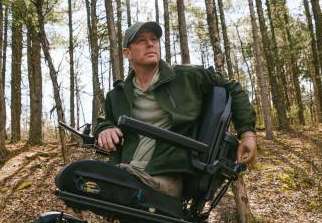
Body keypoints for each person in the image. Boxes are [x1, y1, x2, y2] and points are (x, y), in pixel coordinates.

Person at [94, 21, 258, 199]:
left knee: (106, 181)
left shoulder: (186, 78)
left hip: (166, 177)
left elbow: (231, 87)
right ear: (127, 53)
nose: (150, 44)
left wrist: (247, 134)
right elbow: (106, 121)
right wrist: (104, 129)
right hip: (126, 171)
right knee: (74, 178)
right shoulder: (116, 95)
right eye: (141, 40)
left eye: (154, 39)